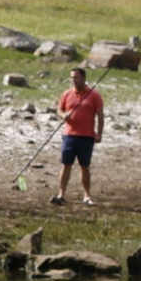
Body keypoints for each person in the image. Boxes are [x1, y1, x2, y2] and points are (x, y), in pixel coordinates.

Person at [54, 67, 105, 206]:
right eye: (72, 77)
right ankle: (61, 194)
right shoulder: (67, 94)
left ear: (83, 78)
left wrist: (99, 133)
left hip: (87, 136)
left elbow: (100, 115)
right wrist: (64, 116)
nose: (73, 80)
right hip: (69, 136)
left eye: (76, 77)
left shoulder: (94, 95)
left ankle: (87, 195)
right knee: (66, 165)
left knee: (85, 166)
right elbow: (59, 109)